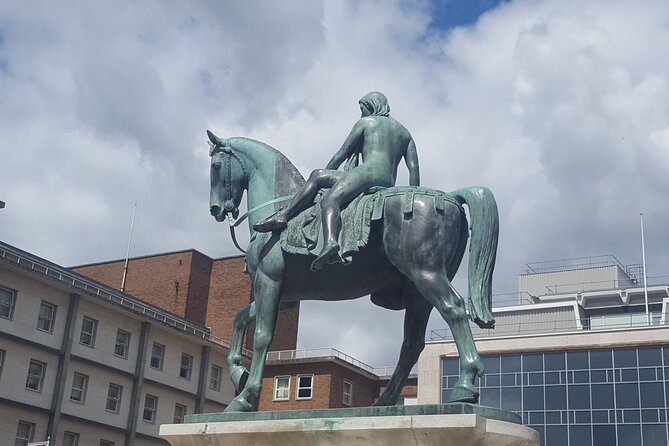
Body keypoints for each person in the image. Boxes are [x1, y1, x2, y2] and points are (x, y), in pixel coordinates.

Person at [254, 91, 420, 271]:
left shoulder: (366, 122)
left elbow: (341, 154)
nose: (361, 112)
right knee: (318, 175)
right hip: (388, 180)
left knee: (329, 197)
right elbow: (413, 168)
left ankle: (330, 241)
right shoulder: (405, 133)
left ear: (371, 106)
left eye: (362, 108)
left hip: (367, 173)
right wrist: (410, 194)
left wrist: (328, 174)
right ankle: (283, 215)